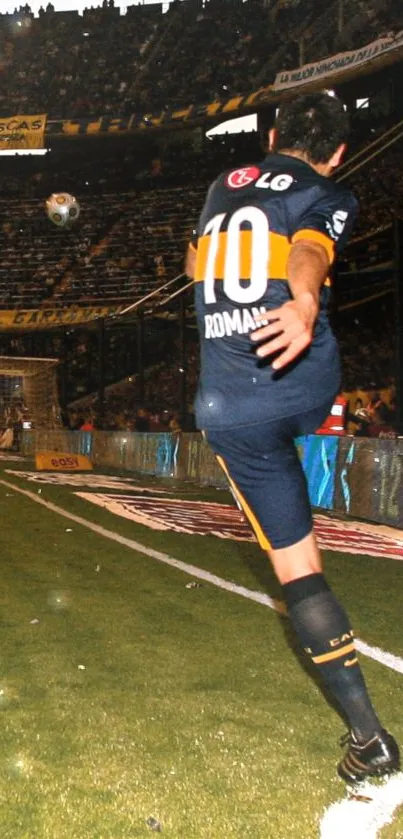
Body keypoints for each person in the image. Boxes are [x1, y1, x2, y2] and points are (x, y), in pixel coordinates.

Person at [185, 92, 400, 784]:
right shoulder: (329, 189)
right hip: (306, 377)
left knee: (294, 565)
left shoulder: (222, 186)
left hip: (235, 405)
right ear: (337, 152)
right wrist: (305, 299)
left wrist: (289, 292)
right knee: (305, 420)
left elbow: (211, 267)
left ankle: (370, 737)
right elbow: (311, 243)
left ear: (272, 134)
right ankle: (365, 741)